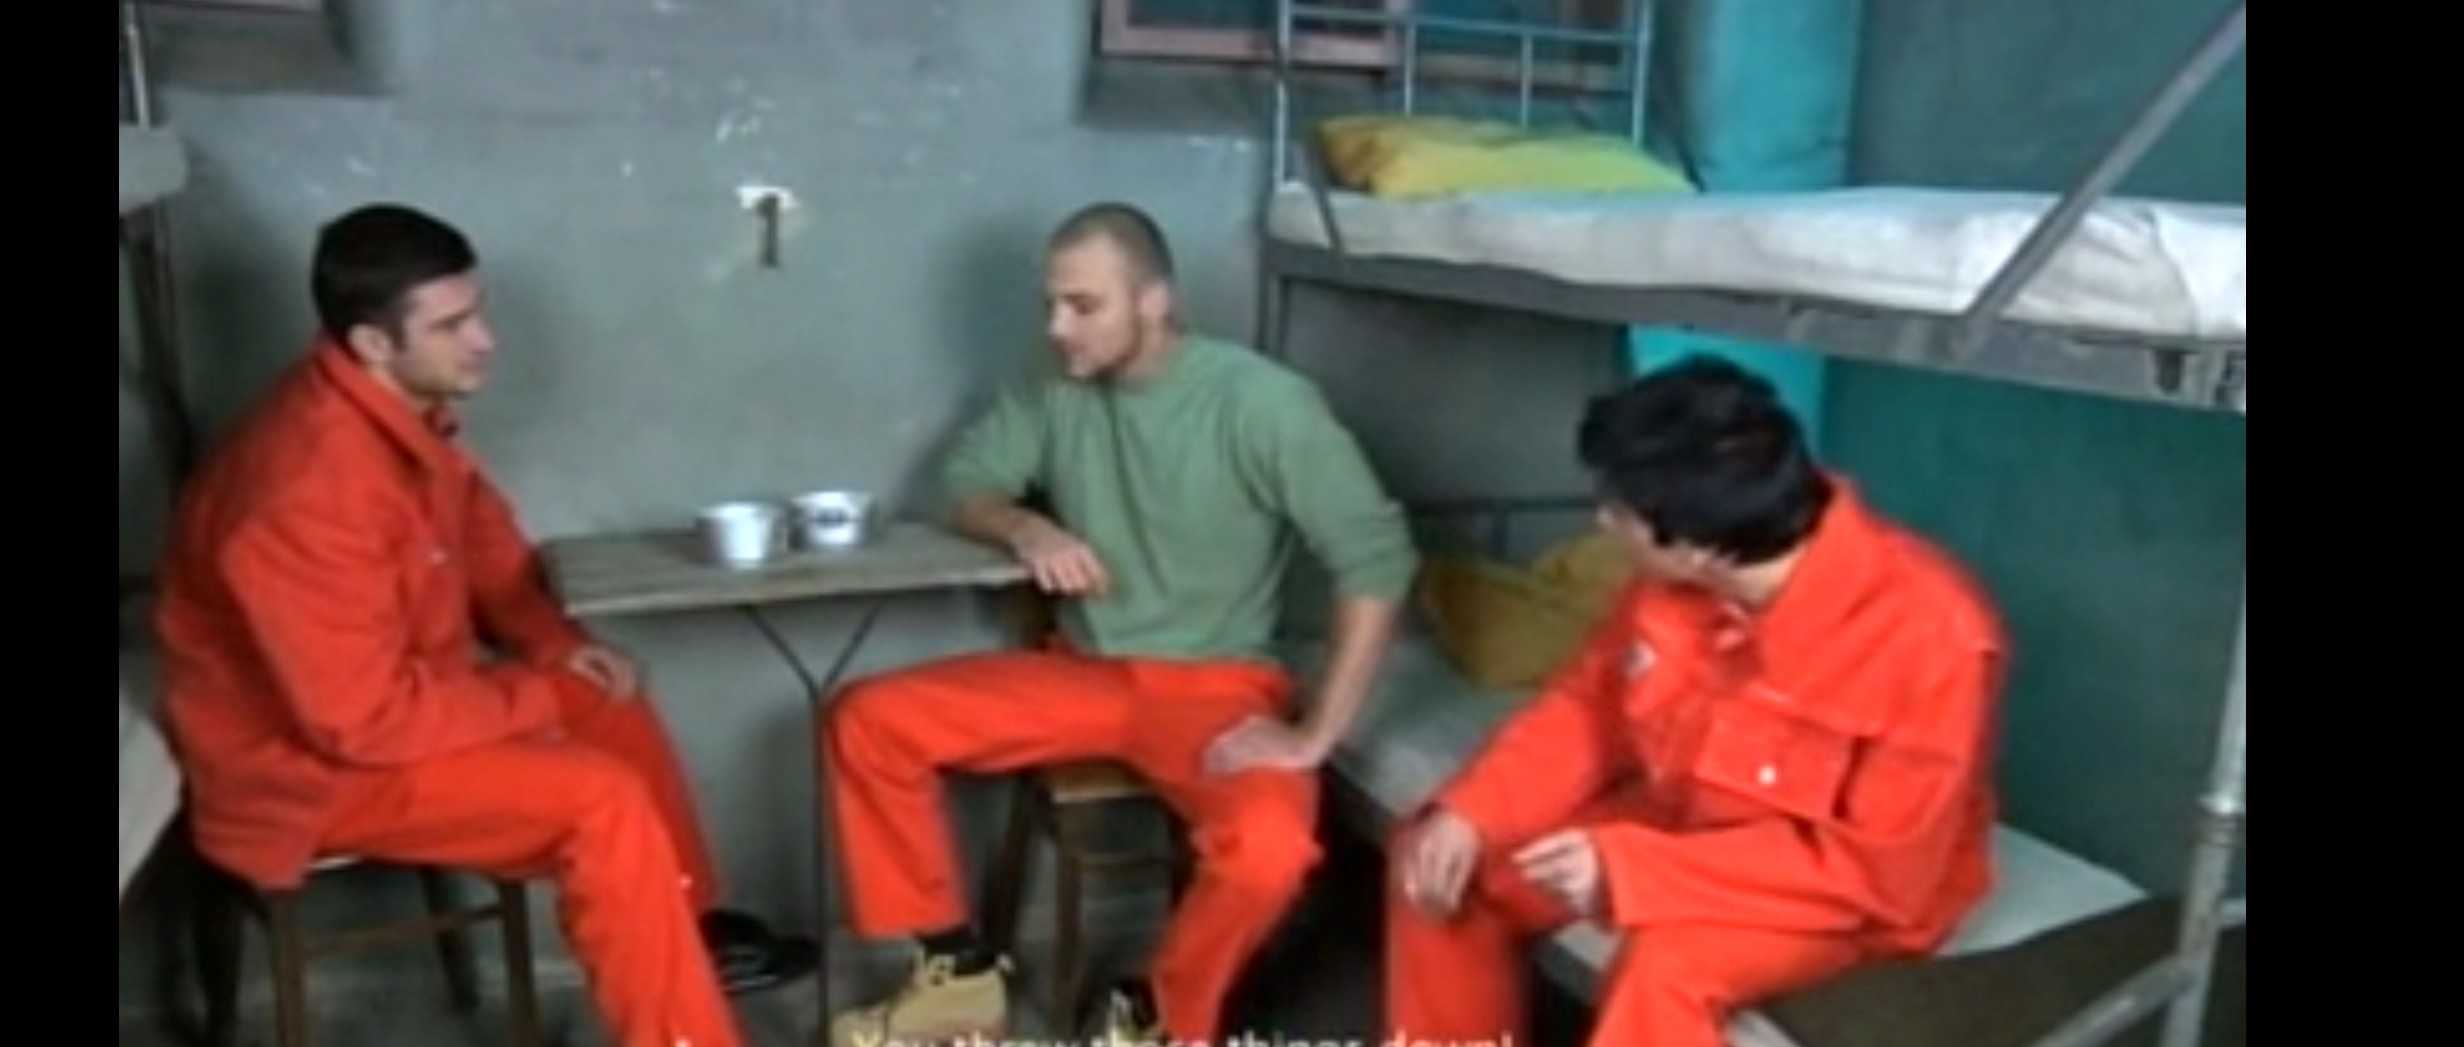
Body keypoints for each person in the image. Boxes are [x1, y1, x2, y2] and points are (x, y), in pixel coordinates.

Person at [155, 203, 815, 1047]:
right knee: (599, 802)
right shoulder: (306, 488)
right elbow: (362, 723)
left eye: (479, 311)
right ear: (373, 343)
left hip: (402, 704)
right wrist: (534, 692)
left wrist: (554, 646)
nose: (486, 340)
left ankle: (681, 943)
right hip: (308, 767)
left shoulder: (391, 408)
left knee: (608, 695)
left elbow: (485, 546)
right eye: (452, 325)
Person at [822, 202, 1419, 1046]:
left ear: (1154, 301)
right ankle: (957, 974)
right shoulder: (1054, 383)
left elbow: (1378, 559)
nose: (1058, 327)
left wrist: (1314, 735)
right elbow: (966, 482)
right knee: (869, 720)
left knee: (1271, 850)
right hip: (1084, 670)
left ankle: (1156, 1010)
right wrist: (1026, 526)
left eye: (1084, 305)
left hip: (1214, 688)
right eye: (1051, 305)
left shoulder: (1264, 403)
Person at [1386, 357, 2006, 1047]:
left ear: (1691, 546)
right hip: (1683, 817)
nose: (1601, 521)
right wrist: (1475, 810)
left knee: (1663, 971)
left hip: (1838, 892)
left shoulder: (1931, 636)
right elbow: (1589, 709)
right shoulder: (1677, 580)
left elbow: (1878, 876)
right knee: (1437, 866)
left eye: (1618, 510)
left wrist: (1632, 870)